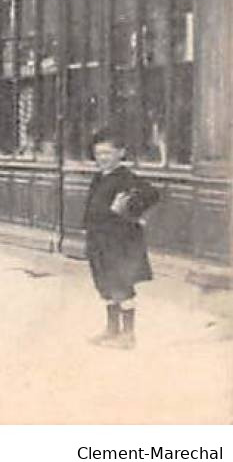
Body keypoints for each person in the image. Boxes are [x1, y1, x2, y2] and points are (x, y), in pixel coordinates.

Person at [84, 129, 161, 348]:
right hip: (100, 241)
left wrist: (128, 209)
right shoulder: (99, 177)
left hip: (119, 243)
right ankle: (111, 330)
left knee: (122, 285)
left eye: (107, 153)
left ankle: (128, 335)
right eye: (98, 153)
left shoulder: (126, 177)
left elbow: (152, 194)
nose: (102, 158)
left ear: (121, 153)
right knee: (106, 285)